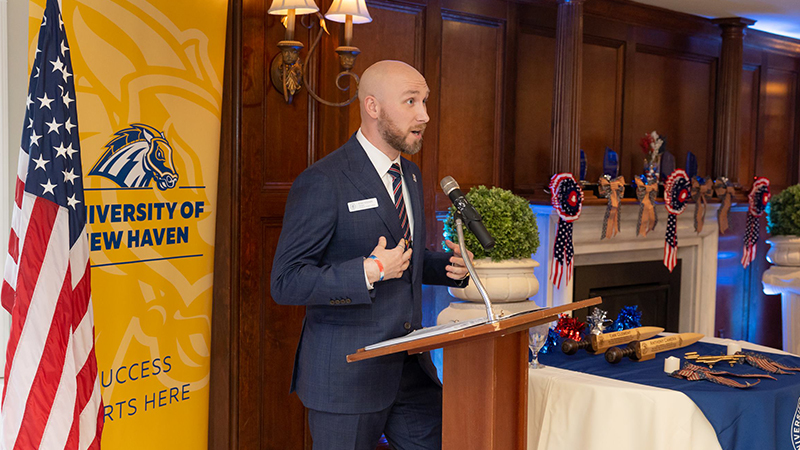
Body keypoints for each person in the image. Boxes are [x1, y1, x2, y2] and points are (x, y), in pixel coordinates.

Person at [271, 60, 473, 450]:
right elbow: (286, 281)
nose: (425, 115)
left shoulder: (410, 176)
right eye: (411, 102)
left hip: (410, 370)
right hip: (348, 377)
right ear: (373, 107)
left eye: (425, 101)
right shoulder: (323, 180)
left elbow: (404, 257)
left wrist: (447, 268)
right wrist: (367, 271)